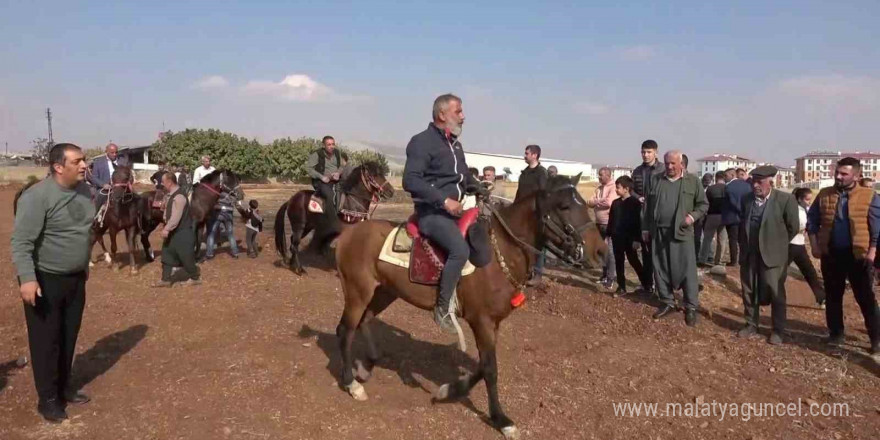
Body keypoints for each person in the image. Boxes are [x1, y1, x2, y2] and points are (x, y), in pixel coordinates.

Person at [12, 143, 95, 422]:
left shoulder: (85, 191)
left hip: (75, 280)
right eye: (78, 161)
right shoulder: (37, 197)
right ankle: (47, 399)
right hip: (45, 279)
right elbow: (22, 242)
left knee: (68, 336)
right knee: (46, 341)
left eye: (84, 160)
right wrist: (27, 279)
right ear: (59, 167)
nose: (84, 165)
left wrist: (82, 266)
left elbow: (82, 233)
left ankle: (63, 388)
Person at [402, 93, 482, 331]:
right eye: (458, 111)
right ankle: (442, 307)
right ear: (442, 114)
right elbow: (410, 180)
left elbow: (464, 176)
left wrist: (479, 187)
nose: (463, 116)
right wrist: (444, 201)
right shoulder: (421, 141)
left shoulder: (455, 144)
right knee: (460, 250)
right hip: (432, 213)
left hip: (454, 213)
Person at [807, 157, 880, 354]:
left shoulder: (869, 196)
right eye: (837, 173)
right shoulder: (824, 194)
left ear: (856, 176)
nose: (838, 177)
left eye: (843, 174)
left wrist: (872, 255)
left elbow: (877, 230)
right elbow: (812, 220)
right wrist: (815, 245)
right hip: (831, 255)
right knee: (833, 296)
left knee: (865, 298)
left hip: (859, 257)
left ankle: (876, 339)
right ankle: (836, 334)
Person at [642, 150, 708, 326]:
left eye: (673, 163)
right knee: (660, 267)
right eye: (667, 163)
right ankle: (667, 302)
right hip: (658, 232)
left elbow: (703, 204)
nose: (670, 167)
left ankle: (691, 306)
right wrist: (645, 228)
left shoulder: (692, 181)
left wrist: (692, 217)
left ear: (681, 164)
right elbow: (647, 207)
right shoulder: (656, 180)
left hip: (681, 233)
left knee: (687, 270)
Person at [736, 166, 799, 345]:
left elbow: (792, 227)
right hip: (750, 254)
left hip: (772, 256)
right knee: (748, 290)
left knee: (775, 292)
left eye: (760, 182)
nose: (755, 185)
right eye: (753, 181)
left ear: (770, 182)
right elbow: (743, 223)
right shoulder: (747, 199)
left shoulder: (785, 200)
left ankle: (778, 330)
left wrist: (776, 244)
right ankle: (750, 324)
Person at [153, 172, 201, 287]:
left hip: (182, 232)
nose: (162, 184)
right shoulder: (171, 195)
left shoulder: (179, 197)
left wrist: (167, 229)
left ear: (169, 182)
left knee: (186, 256)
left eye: (163, 182)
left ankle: (195, 277)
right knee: (167, 254)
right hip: (174, 232)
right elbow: (168, 212)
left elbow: (176, 216)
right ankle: (166, 279)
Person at [608, 176, 650, 296]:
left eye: (618, 188)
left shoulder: (634, 203)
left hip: (630, 239)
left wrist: (637, 240)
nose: (616, 190)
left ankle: (646, 284)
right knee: (619, 262)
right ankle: (621, 287)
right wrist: (608, 235)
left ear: (626, 189)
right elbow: (611, 220)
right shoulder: (615, 203)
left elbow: (638, 223)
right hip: (617, 238)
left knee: (634, 261)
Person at [632, 140, 664, 295]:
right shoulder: (637, 171)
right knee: (646, 252)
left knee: (660, 252)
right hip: (642, 216)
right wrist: (637, 197)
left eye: (649, 152)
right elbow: (631, 190)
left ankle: (662, 287)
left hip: (659, 216)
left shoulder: (663, 169)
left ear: (655, 152)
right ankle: (647, 285)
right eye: (643, 152)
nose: (645, 155)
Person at [515, 144, 549, 286]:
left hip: (535, 214)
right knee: (522, 241)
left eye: (527, 153)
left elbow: (543, 194)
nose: (525, 155)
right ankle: (525, 271)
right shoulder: (524, 173)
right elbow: (519, 192)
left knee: (537, 244)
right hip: (521, 213)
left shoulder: (541, 173)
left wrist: (542, 214)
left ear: (534, 155)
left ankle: (537, 274)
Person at [789, 188, 826, 308]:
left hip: (800, 246)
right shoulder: (793, 210)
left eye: (810, 199)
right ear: (799, 199)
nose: (809, 202)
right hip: (790, 245)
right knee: (778, 273)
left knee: (810, 272)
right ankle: (764, 295)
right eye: (807, 199)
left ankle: (821, 298)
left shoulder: (806, 210)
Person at [589, 167, 619, 289]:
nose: (599, 177)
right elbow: (589, 202)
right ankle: (604, 275)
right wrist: (599, 200)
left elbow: (609, 203)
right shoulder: (599, 188)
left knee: (610, 251)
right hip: (598, 224)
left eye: (601, 175)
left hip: (609, 224)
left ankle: (611, 278)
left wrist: (596, 202)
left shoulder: (613, 187)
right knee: (601, 251)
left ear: (608, 175)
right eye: (598, 175)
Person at [307, 136, 343, 222]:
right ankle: (330, 219)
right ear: (324, 145)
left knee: (347, 192)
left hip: (336, 179)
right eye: (329, 144)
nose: (332, 146)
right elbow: (309, 169)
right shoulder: (316, 154)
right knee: (329, 195)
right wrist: (321, 177)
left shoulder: (337, 153)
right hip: (321, 181)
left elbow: (342, 166)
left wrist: (338, 173)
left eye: (333, 144)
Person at [722, 168, 751, 267]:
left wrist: (739, 210)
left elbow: (732, 202)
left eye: (726, 176)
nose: (724, 178)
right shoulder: (747, 186)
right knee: (743, 240)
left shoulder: (728, 187)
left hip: (731, 217)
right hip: (744, 217)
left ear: (732, 175)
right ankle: (744, 260)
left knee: (733, 240)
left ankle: (734, 261)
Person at [699, 171, 729, 266]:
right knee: (722, 240)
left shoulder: (711, 189)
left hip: (712, 216)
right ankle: (718, 261)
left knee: (707, 238)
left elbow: (706, 202)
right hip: (724, 216)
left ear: (716, 178)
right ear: (724, 178)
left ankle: (703, 260)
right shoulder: (727, 189)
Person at [88, 142, 127, 209]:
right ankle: (96, 216)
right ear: (106, 152)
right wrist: (103, 184)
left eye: (116, 152)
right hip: (104, 189)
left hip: (121, 188)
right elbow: (94, 177)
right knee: (99, 199)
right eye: (112, 152)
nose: (115, 154)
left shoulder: (123, 162)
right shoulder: (98, 162)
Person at [205, 189, 239, 260]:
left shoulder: (215, 191)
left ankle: (209, 254)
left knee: (211, 234)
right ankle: (235, 253)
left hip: (217, 213)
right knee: (230, 234)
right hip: (229, 213)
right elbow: (236, 203)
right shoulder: (232, 192)